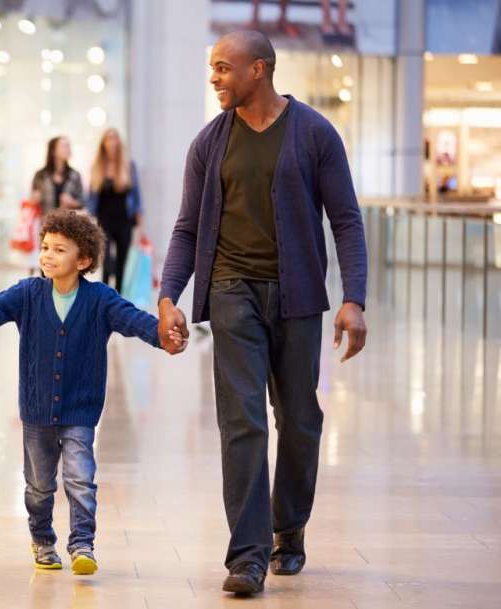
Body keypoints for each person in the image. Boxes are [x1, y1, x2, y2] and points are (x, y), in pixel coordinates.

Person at [156, 31, 368, 596]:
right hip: (231, 291)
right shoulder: (208, 144)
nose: (214, 77)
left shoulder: (315, 134)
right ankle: (247, 556)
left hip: (297, 297)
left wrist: (354, 298)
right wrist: (168, 295)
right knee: (242, 420)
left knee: (299, 419)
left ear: (260, 69)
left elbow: (345, 219)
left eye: (224, 68)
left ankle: (288, 528)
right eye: (212, 68)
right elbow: (185, 227)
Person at [0, 210, 180, 575]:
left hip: (81, 409)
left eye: (59, 250)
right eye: (45, 246)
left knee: (80, 478)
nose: (47, 255)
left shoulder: (100, 300)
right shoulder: (28, 293)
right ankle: (43, 540)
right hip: (36, 412)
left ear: (82, 261)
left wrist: (164, 336)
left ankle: (82, 544)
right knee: (38, 486)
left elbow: (134, 320)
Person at [86, 128, 142, 292]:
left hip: (124, 220)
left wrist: (140, 218)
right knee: (106, 259)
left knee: (122, 260)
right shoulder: (97, 167)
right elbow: (91, 196)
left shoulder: (128, 166)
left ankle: (118, 294)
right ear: (103, 143)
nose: (112, 142)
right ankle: (104, 292)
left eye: (115, 139)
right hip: (104, 220)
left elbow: (137, 194)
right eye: (108, 139)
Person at [30, 136, 84, 214]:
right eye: (64, 146)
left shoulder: (75, 175)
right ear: (53, 151)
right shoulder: (40, 175)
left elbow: (83, 202)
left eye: (69, 146)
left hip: (68, 223)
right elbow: (32, 200)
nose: (68, 149)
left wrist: (72, 202)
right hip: (45, 222)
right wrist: (35, 199)